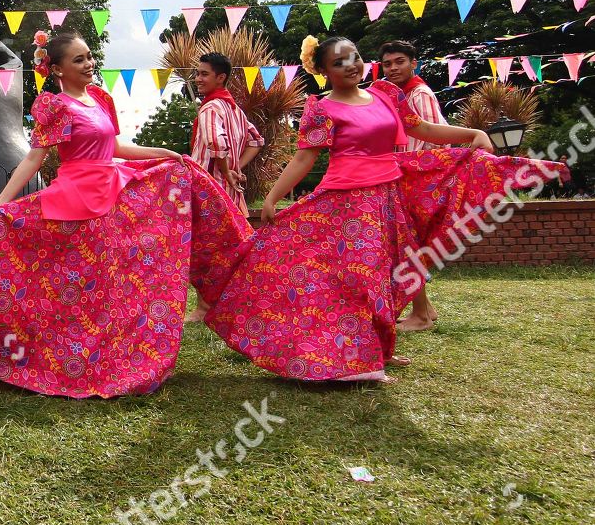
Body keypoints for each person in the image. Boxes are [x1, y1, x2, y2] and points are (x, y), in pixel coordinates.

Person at [0, 33, 253, 398]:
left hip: (112, 194)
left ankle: (110, 355)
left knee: (105, 289)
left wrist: (167, 155)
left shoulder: (100, 99)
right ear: (56, 69)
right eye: (79, 59)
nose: (89, 64)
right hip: (74, 201)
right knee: (57, 287)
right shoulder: (54, 106)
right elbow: (34, 157)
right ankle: (27, 347)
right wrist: (1, 202)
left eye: (89, 57)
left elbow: (118, 146)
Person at [205, 35, 567, 384]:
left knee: (388, 273)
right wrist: (272, 197)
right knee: (360, 277)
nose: (351, 65)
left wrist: (470, 134)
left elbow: (424, 128)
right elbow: (304, 158)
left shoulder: (386, 95)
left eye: (355, 57)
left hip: (389, 197)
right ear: (325, 72)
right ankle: (356, 359)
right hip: (346, 203)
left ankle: (377, 347)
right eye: (339, 62)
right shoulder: (322, 108)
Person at [186, 51, 264, 321]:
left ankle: (204, 307)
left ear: (221, 78)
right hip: (230, 189)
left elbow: (214, 142)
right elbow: (256, 141)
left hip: (208, 188)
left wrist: (226, 169)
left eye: (204, 74)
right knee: (231, 248)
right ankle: (234, 302)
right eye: (197, 73)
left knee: (204, 248)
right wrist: (236, 168)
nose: (198, 78)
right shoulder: (235, 109)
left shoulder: (211, 108)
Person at [378, 40, 446, 331]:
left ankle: (420, 314)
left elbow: (432, 139)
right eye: (387, 63)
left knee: (407, 247)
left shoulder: (419, 94)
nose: (393, 68)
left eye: (400, 61)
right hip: (404, 177)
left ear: (414, 63)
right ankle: (425, 309)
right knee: (408, 245)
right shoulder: (399, 95)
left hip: (416, 180)